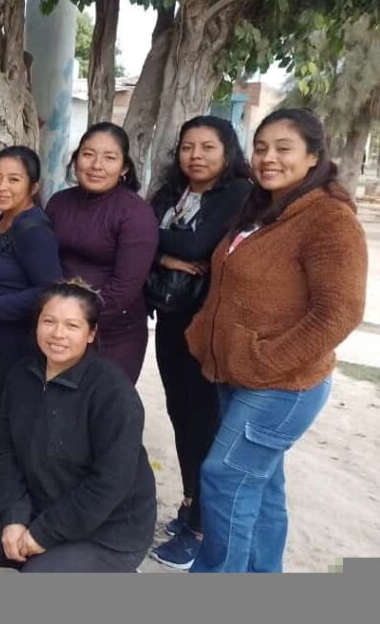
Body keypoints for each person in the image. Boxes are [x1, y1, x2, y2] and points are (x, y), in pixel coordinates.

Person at [186, 108, 367, 573]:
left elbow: (340, 312)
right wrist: (205, 333)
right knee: (260, 487)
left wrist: (263, 361)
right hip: (240, 375)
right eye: (261, 148)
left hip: (282, 384)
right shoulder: (264, 209)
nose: (269, 158)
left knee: (224, 478)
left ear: (313, 157)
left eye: (284, 149)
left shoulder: (328, 219)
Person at [0, 280, 156, 573]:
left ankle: (97, 568)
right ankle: (54, 561)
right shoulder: (21, 376)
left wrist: (44, 534)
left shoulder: (113, 392)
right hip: (44, 501)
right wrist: (15, 518)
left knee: (40, 574)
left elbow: (110, 482)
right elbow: (7, 452)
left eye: (72, 325)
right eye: (48, 321)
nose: (58, 334)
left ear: (91, 333)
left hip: (109, 526)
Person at [144, 117, 252, 570]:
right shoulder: (172, 193)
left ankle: (202, 528)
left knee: (204, 423)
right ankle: (191, 504)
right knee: (180, 414)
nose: (196, 156)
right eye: (188, 146)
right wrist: (165, 253)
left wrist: (159, 244)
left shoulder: (238, 193)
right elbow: (141, 237)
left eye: (208, 147)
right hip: (171, 320)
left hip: (207, 325)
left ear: (228, 152)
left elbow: (198, 245)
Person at [0, 146, 62, 442]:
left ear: (34, 186)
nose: (2, 186)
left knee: (13, 424)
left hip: (21, 347)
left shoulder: (34, 231)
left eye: (14, 179)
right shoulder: (4, 221)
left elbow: (49, 292)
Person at [46, 123, 158, 384]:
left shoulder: (135, 213)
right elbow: (45, 261)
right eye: (88, 154)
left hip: (114, 332)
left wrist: (79, 322)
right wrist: (56, 320)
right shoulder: (59, 202)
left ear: (124, 167)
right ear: (76, 159)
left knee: (102, 405)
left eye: (109, 158)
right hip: (60, 328)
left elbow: (125, 287)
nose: (97, 165)